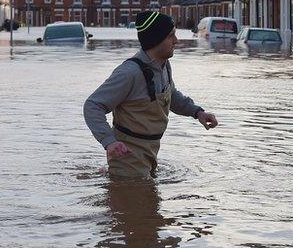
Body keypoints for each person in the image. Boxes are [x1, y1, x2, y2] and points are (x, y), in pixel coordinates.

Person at [83, 11, 219, 178]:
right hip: (127, 157)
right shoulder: (129, 73)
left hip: (151, 151)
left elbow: (171, 95)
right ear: (156, 39)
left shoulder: (164, 65)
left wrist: (198, 112)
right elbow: (92, 105)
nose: (176, 40)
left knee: (149, 202)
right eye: (171, 35)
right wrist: (109, 142)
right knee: (131, 202)